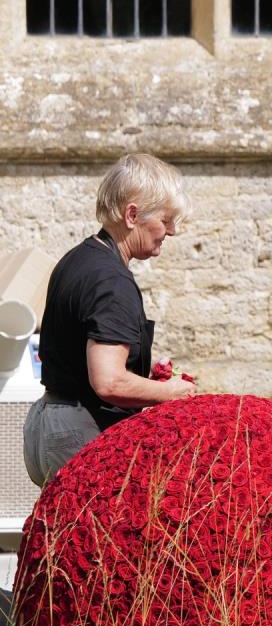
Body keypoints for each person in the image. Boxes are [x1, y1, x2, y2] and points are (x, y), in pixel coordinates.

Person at [23, 153, 196, 487]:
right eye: (165, 220)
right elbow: (110, 382)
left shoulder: (78, 258)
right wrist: (171, 392)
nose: (171, 231)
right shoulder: (111, 281)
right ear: (132, 215)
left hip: (47, 423)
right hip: (78, 432)